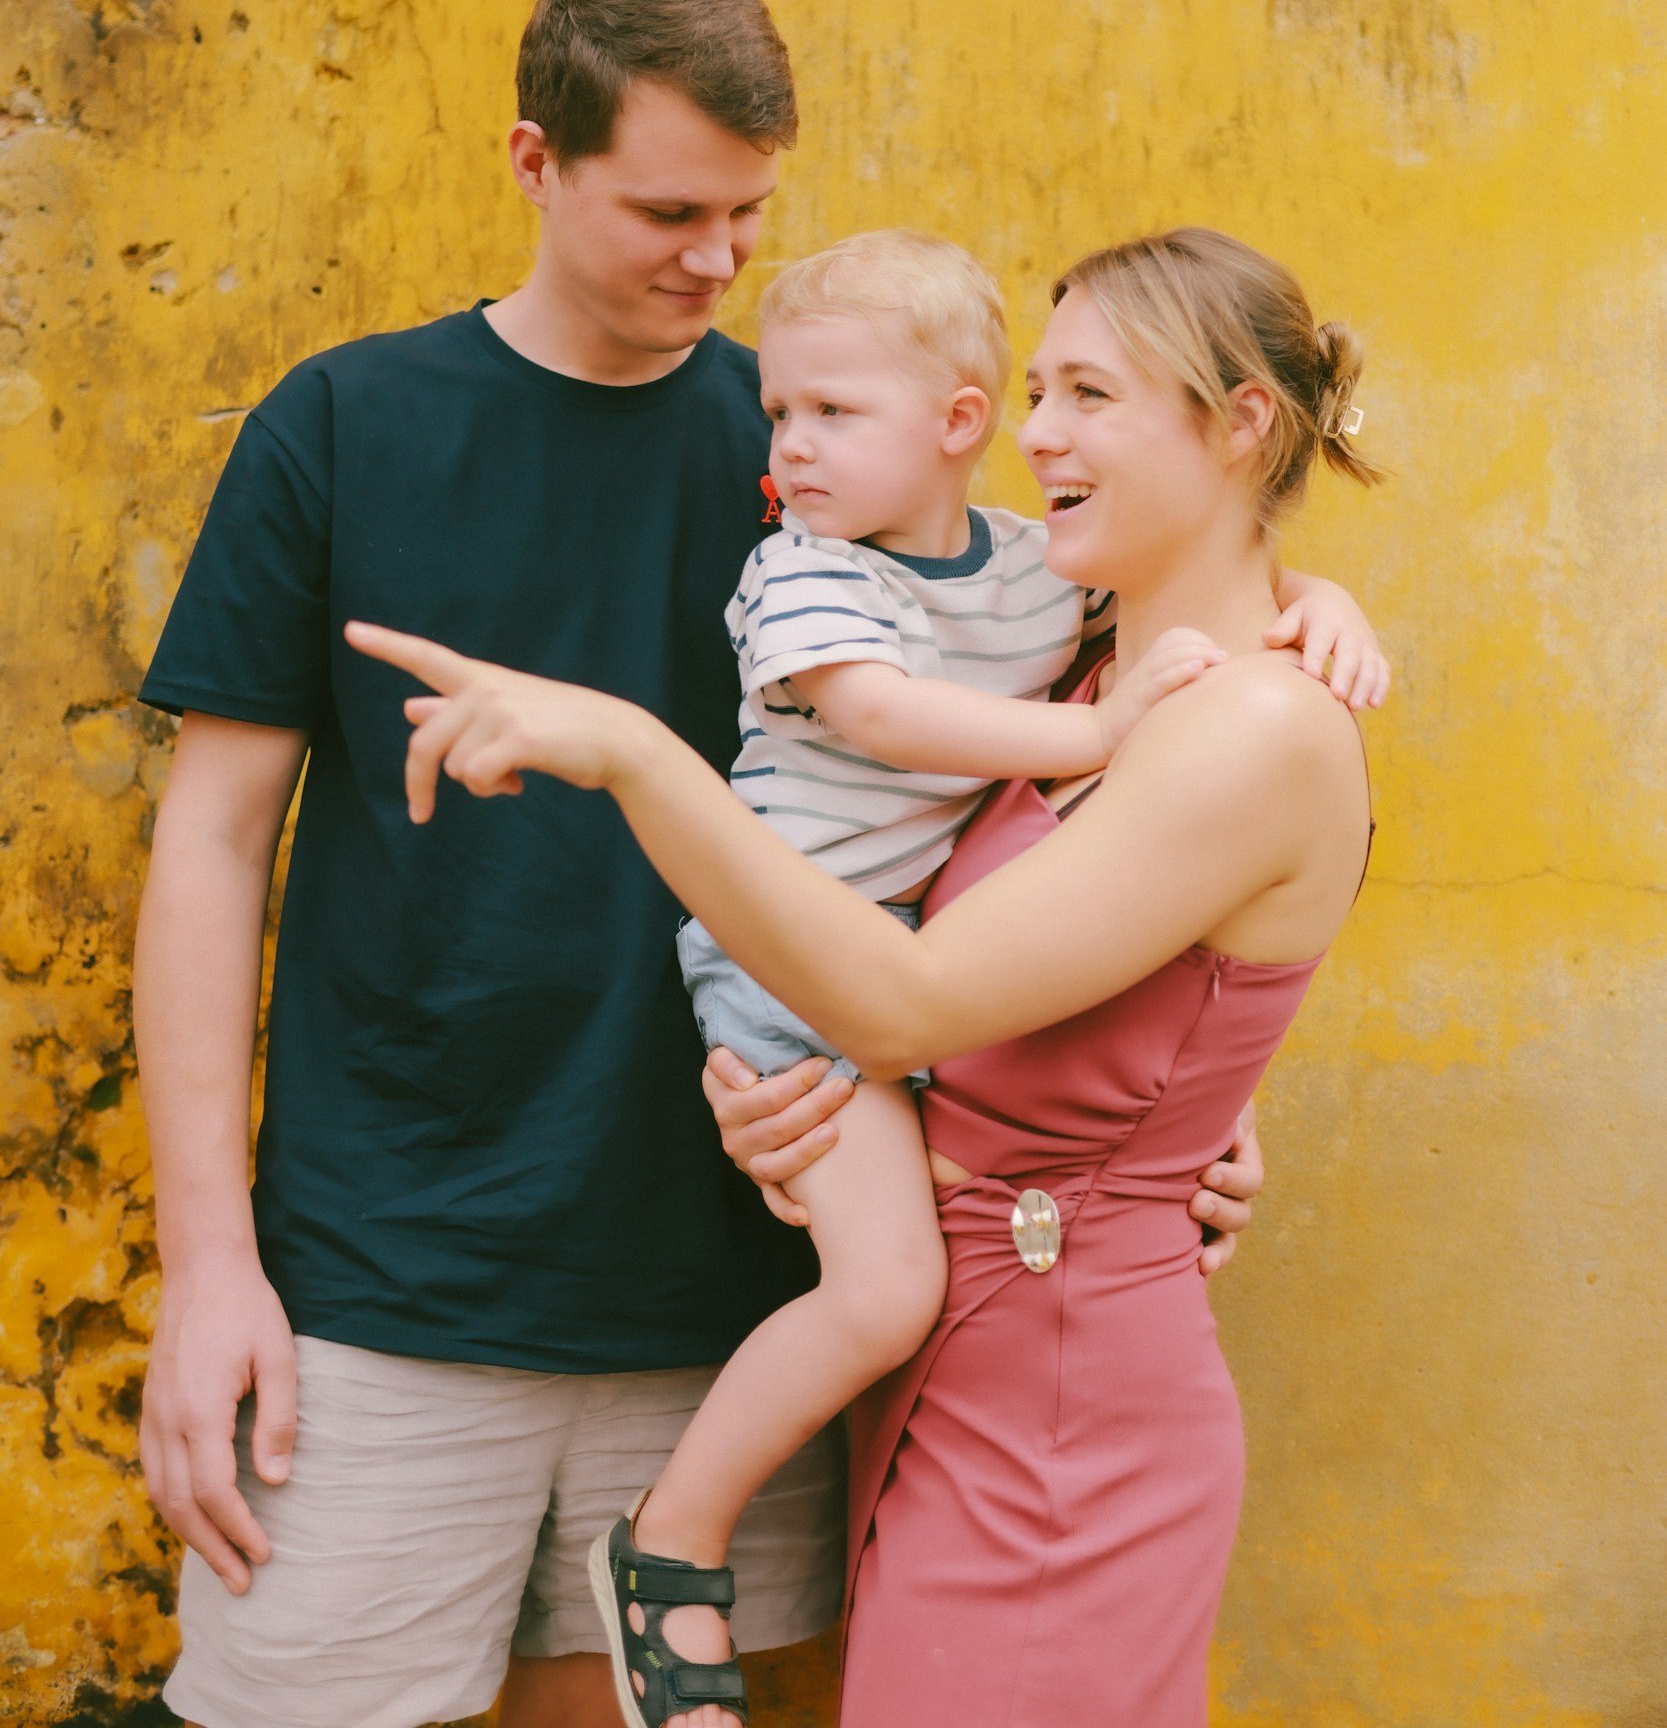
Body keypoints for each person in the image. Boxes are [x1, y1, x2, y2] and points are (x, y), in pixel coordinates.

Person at [131, 0, 1267, 1728]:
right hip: (378, 1294)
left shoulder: (828, 438)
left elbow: (1074, 784)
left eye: (748, 212)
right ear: (534, 163)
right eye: (669, 211)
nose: (719, 261)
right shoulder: (345, 425)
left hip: (748, 1294)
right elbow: (210, 847)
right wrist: (206, 1269)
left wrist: (1184, 1104)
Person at [350, 224, 1384, 1728]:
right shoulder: (1087, 676)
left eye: (1088, 394)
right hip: (954, 1375)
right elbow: (1033, 997)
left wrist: (634, 753)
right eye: (1038, 391)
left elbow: (908, 999)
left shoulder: (1255, 726)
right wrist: (814, 1113)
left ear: (1241, 423)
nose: (1038, 434)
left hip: (1064, 1418)